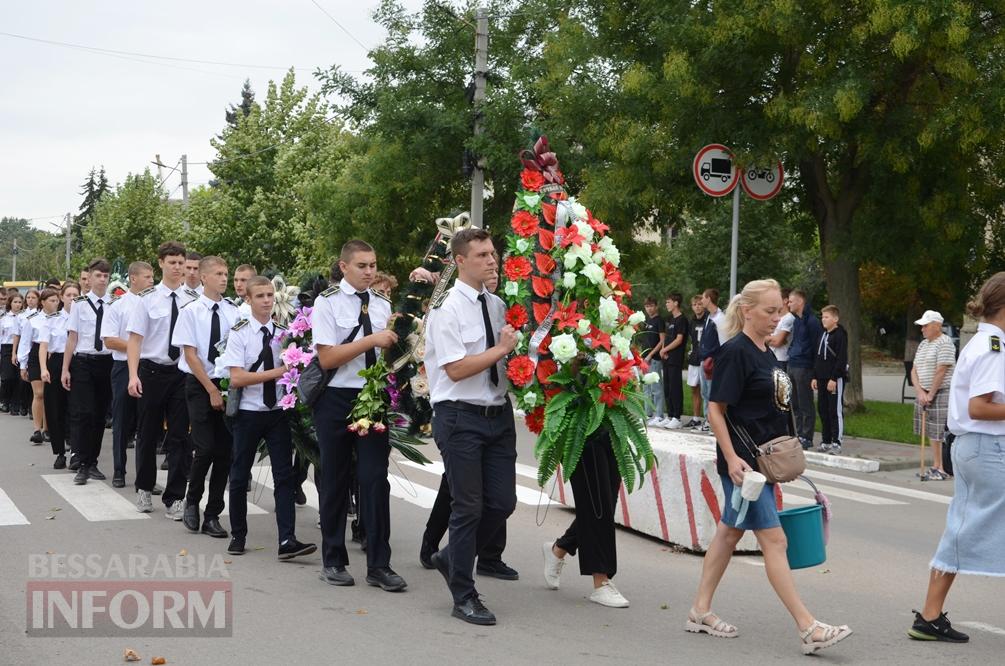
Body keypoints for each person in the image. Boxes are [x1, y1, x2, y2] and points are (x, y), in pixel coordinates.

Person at [685, 278, 852, 656]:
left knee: (728, 534)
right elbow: (716, 409)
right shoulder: (736, 353)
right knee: (775, 541)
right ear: (747, 311)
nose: (779, 317)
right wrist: (731, 459)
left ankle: (699, 610)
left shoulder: (764, 352)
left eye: (781, 310)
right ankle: (809, 628)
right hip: (745, 466)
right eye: (770, 311)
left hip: (761, 463)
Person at [425, 227, 518, 626]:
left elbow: (506, 361)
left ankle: (452, 557)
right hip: (459, 416)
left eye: (492, 253)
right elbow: (457, 369)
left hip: (497, 415)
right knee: (468, 507)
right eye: (481, 255)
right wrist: (500, 350)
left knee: (502, 502)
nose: (491, 260)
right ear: (460, 261)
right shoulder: (447, 309)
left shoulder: (496, 305)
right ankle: (464, 594)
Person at [907, 272, 1005, 644]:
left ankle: (929, 617)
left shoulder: (985, 343)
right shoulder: (993, 346)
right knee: (964, 530)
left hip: (975, 448)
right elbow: (979, 407)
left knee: (961, 529)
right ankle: (929, 616)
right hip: (987, 446)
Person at [312, 240, 406, 592]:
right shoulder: (327, 302)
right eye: (363, 265)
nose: (369, 271)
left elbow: (388, 352)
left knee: (374, 479)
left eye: (373, 265)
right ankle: (333, 559)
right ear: (344, 267)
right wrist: (372, 341)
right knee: (335, 479)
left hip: (372, 397)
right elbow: (327, 358)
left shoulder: (382, 303)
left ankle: (379, 564)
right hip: (336, 398)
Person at [222, 276, 316, 560]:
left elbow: (296, 368)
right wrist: (278, 372)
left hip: (276, 413)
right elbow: (237, 378)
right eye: (260, 295)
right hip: (249, 414)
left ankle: (287, 539)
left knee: (283, 477)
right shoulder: (239, 333)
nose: (266, 300)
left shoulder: (284, 333)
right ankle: (238, 534)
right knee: (239, 476)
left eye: (269, 295)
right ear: (248, 300)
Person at [127, 242, 198, 517]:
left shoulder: (192, 301)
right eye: (172, 262)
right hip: (152, 371)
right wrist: (133, 375)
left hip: (181, 373)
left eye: (181, 262)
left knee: (181, 436)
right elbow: (135, 340)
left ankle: (175, 497)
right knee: (147, 433)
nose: (178, 267)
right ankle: (144, 488)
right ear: (161, 264)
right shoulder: (147, 299)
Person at [173, 256, 239, 539]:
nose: (225, 279)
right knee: (205, 447)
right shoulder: (191, 311)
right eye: (219, 274)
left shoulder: (234, 312)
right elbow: (190, 354)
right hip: (200, 384)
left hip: (227, 383)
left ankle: (213, 514)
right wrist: (211, 389)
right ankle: (192, 500)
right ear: (204, 278)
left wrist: (226, 387)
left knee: (225, 451)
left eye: (226, 274)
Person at [542, 425, 629, 607]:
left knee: (605, 505)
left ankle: (559, 549)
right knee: (598, 505)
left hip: (610, 423)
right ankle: (601, 580)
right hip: (580, 426)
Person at [102, 261, 155, 488]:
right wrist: (136, 346)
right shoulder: (118, 305)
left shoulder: (156, 303)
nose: (152, 280)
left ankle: (146, 478)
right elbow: (109, 339)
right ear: (133, 278)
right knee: (122, 422)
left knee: (147, 424)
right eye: (147, 277)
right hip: (124, 368)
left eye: (153, 276)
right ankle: (119, 470)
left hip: (149, 367)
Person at [61, 259, 114, 484]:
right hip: (83, 362)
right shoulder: (79, 304)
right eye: (98, 275)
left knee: (100, 414)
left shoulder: (115, 304)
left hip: (106, 362)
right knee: (85, 413)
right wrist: (65, 368)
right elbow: (72, 337)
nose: (102, 279)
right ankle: (81, 462)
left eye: (105, 276)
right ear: (89, 278)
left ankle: (92, 462)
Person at [910, 310, 956, 480]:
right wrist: (920, 391)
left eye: (926, 325)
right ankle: (935, 465)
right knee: (929, 430)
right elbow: (914, 370)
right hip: (924, 391)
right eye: (922, 326)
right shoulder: (923, 344)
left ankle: (942, 468)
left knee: (938, 429)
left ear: (937, 326)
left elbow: (941, 371)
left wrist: (931, 394)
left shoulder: (945, 343)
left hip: (941, 391)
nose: (922, 329)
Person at [40, 282, 79, 469]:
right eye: (69, 295)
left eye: (75, 295)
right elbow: (44, 346)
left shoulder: (83, 318)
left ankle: (75, 451)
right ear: (61, 297)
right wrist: (43, 368)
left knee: (76, 409)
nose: (72, 298)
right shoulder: (52, 319)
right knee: (55, 409)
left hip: (78, 362)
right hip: (56, 363)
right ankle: (59, 452)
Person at [787, 289, 822, 449]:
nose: (788, 304)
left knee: (805, 402)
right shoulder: (797, 321)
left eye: (791, 301)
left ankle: (807, 436)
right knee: (794, 402)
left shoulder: (812, 322)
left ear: (800, 302)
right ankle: (798, 433)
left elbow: (817, 348)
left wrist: (815, 373)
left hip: (805, 367)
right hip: (793, 364)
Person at [811, 305, 848, 454]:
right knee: (823, 409)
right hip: (821, 378)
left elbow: (841, 358)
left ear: (835, 319)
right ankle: (826, 440)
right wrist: (814, 376)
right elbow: (818, 356)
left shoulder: (840, 335)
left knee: (835, 410)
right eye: (822, 317)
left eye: (826, 317)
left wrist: (834, 378)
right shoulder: (823, 334)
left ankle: (836, 441)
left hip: (833, 379)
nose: (823, 320)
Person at [17, 289, 48, 443]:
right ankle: (37, 429)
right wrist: (23, 365)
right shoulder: (33, 319)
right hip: (36, 354)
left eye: (56, 300)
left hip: (53, 354)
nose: (53, 303)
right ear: (42, 302)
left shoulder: (62, 318)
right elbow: (25, 342)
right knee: (39, 393)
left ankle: (48, 428)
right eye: (49, 300)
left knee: (50, 394)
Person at [696, 288, 726, 433]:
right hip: (704, 359)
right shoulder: (709, 317)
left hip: (712, 361)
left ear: (709, 299)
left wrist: (716, 358)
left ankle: (715, 422)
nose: (701, 301)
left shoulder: (720, 318)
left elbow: (723, 341)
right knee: (705, 392)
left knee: (712, 392)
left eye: (703, 298)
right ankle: (708, 420)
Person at [660, 292, 689, 428]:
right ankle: (670, 414)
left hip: (675, 359)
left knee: (675, 387)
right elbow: (667, 337)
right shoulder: (670, 319)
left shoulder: (682, 320)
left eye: (668, 302)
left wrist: (665, 350)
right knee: (667, 387)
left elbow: (679, 339)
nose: (666, 304)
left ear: (676, 303)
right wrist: (664, 349)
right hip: (666, 358)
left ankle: (677, 417)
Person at [12, 290, 39, 422]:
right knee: (25, 380)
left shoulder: (41, 314)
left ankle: (31, 408)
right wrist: (14, 353)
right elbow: (17, 335)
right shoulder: (22, 315)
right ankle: (25, 404)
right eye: (28, 297)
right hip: (24, 347)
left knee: (35, 381)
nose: (30, 300)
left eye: (33, 297)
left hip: (38, 347)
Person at [639, 297, 666, 427]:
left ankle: (659, 415)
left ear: (656, 306)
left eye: (651, 306)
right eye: (647, 306)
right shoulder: (647, 321)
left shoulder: (659, 321)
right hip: (644, 358)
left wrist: (650, 354)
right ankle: (647, 413)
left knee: (656, 388)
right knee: (646, 387)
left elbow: (662, 340)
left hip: (654, 358)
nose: (649, 309)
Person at [683, 295, 707, 429]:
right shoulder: (692, 321)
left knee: (706, 391)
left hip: (704, 359)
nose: (697, 307)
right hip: (694, 358)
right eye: (695, 304)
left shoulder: (708, 320)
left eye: (700, 304)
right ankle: (696, 418)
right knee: (694, 388)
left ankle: (708, 419)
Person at [1, 293, 26, 415]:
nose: (17, 305)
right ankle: (5, 400)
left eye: (20, 302)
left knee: (18, 377)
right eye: (15, 302)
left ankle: (15, 403)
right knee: (7, 377)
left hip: (21, 346)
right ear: (10, 303)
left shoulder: (25, 317)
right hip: (6, 348)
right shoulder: (4, 318)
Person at [767, 288, 794, 370]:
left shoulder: (789, 318)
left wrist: (769, 339)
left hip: (781, 359)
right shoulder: (775, 317)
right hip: (770, 356)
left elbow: (778, 342)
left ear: (785, 300)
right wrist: (772, 339)